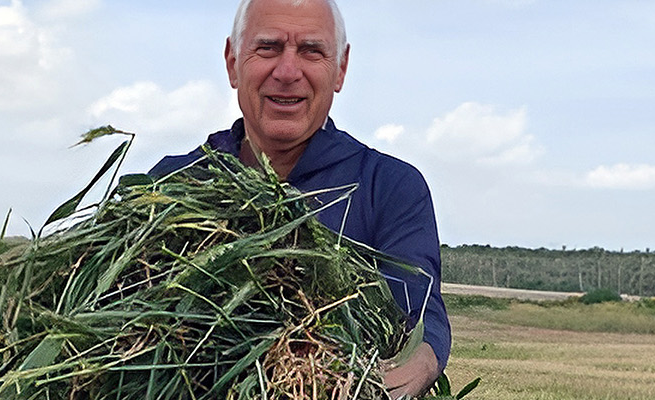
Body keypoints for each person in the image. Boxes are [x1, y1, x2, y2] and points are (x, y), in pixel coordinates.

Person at [148, 0, 451, 397]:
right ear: (232, 61)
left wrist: (421, 359)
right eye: (269, 47)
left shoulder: (390, 188)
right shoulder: (173, 185)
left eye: (311, 50)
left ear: (340, 69)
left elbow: (418, 310)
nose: (288, 72)